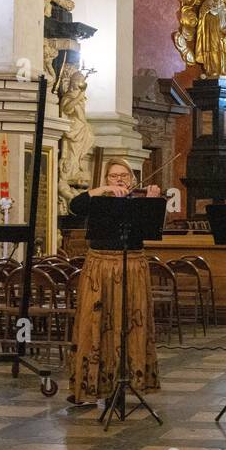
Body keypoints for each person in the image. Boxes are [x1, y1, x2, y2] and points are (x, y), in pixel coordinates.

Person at [66, 158, 162, 408]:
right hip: (100, 267)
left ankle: (128, 382)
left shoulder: (138, 202)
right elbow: (75, 207)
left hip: (132, 266)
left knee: (130, 322)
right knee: (96, 323)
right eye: (113, 176)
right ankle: (89, 384)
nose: (119, 180)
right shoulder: (98, 199)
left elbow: (151, 228)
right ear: (106, 179)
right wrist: (101, 191)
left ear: (132, 179)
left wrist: (152, 202)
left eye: (124, 176)